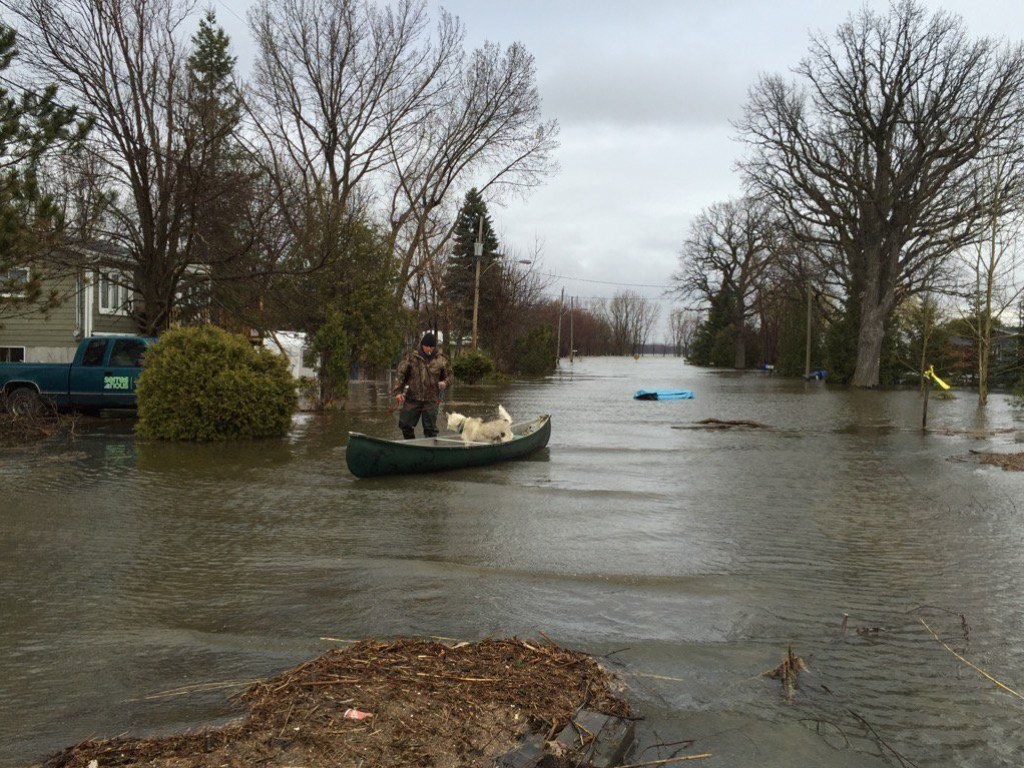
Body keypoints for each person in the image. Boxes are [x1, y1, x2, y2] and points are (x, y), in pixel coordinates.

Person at [393, 332, 450, 439]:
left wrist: (445, 383)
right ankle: (411, 446)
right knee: (405, 425)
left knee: (430, 430)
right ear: (422, 345)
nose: (429, 349)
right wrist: (398, 392)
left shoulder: (441, 360)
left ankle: (430, 451)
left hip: (431, 400)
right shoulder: (411, 358)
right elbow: (400, 374)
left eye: (431, 346)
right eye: (427, 346)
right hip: (413, 397)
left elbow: (450, 377)